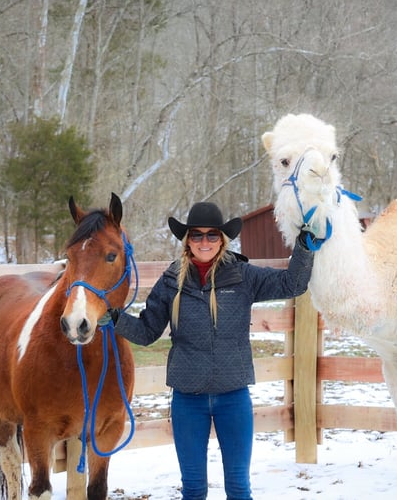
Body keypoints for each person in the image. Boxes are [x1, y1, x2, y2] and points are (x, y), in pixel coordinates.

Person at [109, 201, 316, 500]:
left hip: (233, 397)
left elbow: (292, 284)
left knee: (238, 487)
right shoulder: (171, 281)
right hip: (187, 400)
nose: (204, 241)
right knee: (193, 489)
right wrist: (114, 319)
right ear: (187, 240)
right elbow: (146, 331)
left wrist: (304, 248)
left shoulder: (242, 275)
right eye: (197, 234)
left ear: (222, 239)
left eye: (212, 235)